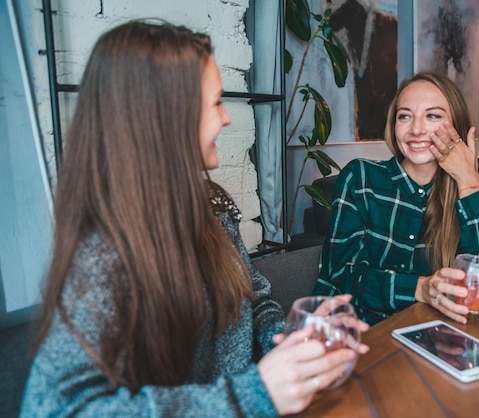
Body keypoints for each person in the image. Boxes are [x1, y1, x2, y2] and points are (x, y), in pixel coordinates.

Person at [20, 20, 368, 417]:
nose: (226, 119)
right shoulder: (102, 252)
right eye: (216, 102)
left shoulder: (212, 209)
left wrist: (288, 335)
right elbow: (58, 409)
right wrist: (251, 395)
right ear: (163, 118)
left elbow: (254, 302)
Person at [313, 71, 479, 326]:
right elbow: (344, 275)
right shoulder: (360, 178)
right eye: (405, 116)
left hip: (424, 334)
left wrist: (469, 180)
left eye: (433, 116)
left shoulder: (461, 190)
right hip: (350, 331)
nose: (416, 129)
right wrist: (420, 288)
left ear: (456, 127)